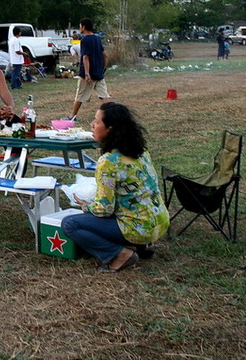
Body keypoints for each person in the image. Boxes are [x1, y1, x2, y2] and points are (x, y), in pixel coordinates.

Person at [61, 102, 169, 272]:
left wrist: (86, 206)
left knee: (70, 224)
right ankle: (142, 245)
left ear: (110, 129)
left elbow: (104, 209)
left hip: (138, 228)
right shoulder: (141, 152)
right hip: (160, 221)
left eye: (97, 122)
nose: (92, 125)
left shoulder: (108, 162)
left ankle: (119, 255)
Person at [68, 18, 110, 121]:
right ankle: (113, 115)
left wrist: (87, 73)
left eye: (80, 26)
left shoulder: (85, 40)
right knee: (104, 96)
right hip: (98, 73)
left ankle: (72, 117)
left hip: (88, 74)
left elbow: (85, 57)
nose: (79, 28)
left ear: (83, 27)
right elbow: (105, 55)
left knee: (80, 96)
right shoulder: (97, 38)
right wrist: (102, 68)